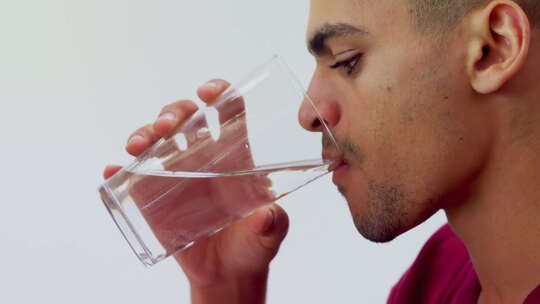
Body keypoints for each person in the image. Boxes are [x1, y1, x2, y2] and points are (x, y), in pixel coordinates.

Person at [103, 0, 540, 303]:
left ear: (493, 49)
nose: (308, 113)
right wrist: (223, 287)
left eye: (347, 61)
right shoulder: (437, 278)